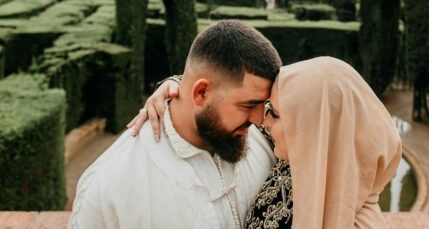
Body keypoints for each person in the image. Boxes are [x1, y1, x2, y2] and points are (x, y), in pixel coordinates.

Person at [133, 56, 402, 228]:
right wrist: (175, 87)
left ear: (313, 129)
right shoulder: (294, 161)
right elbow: (224, 95)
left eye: (275, 112)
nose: (263, 120)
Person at [68, 20, 282, 229]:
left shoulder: (270, 142)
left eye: (264, 104)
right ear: (201, 93)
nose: (259, 119)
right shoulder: (109, 187)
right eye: (248, 104)